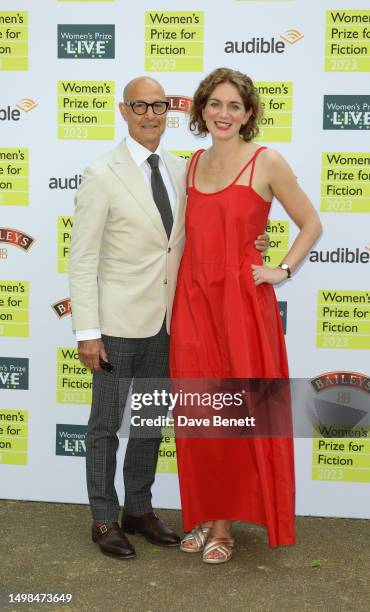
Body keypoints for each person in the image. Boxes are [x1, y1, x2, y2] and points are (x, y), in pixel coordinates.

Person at [69, 75, 269, 560]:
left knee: (150, 421)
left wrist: (254, 246)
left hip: (172, 322)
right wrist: (87, 332)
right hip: (116, 323)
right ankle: (102, 518)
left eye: (159, 105)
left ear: (170, 112)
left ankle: (138, 509)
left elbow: (215, 225)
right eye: (140, 105)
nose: (151, 114)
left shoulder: (185, 169)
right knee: (105, 424)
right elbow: (83, 259)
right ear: (123, 110)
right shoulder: (101, 173)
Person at [170, 67, 322, 564]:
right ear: (200, 109)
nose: (224, 113)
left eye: (235, 105)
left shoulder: (266, 161)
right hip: (193, 302)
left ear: (249, 113)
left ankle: (223, 528)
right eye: (215, 103)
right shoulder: (190, 165)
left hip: (241, 304)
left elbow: (311, 223)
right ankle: (204, 511)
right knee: (198, 412)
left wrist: (281, 269)